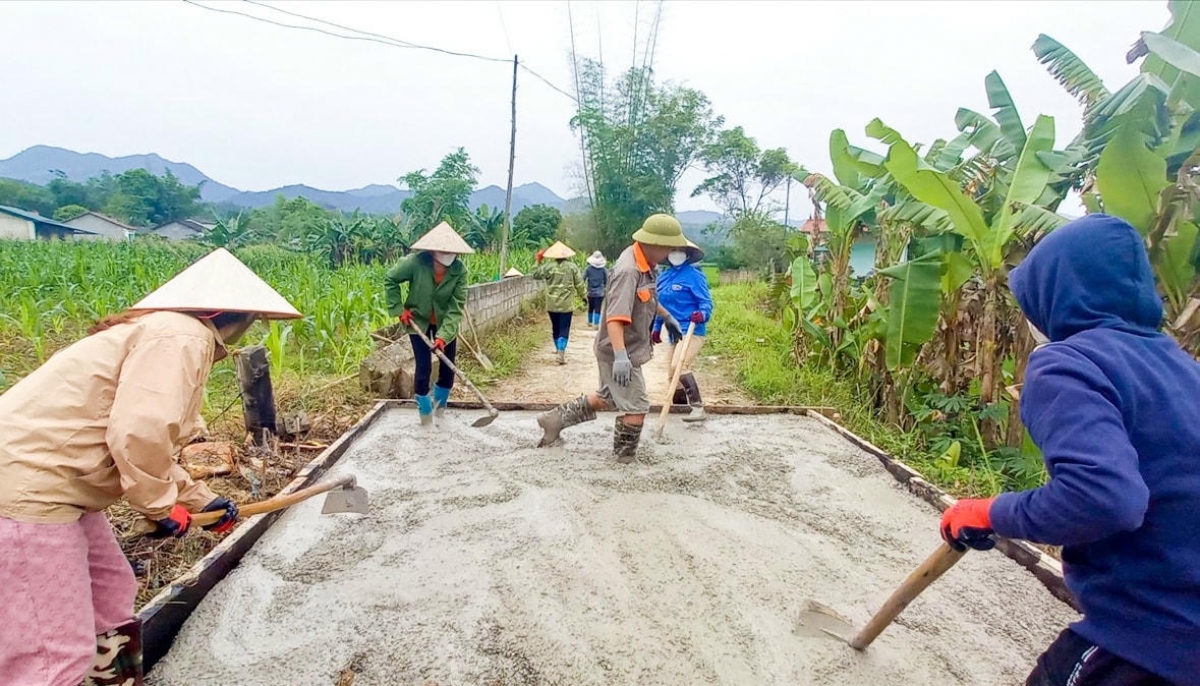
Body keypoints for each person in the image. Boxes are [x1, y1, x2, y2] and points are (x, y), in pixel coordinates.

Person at [0, 248, 302, 686]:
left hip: (62, 485)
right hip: (31, 488)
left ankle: (118, 681)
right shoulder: (181, 336)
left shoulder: (169, 331)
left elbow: (150, 445)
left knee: (111, 589)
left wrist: (203, 500)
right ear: (233, 315)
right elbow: (137, 435)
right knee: (54, 654)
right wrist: (161, 508)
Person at [939, 215, 1200, 686]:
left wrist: (991, 511)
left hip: (1153, 639)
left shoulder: (1070, 362)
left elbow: (1104, 497)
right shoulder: (1180, 366)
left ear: (1053, 292)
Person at [535, 214, 686, 463]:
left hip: (623, 348)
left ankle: (553, 420)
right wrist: (620, 357)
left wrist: (667, 317)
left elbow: (646, 298)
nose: (670, 252)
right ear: (656, 244)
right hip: (619, 350)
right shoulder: (629, 271)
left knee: (607, 397)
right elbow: (615, 318)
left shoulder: (645, 264)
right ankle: (623, 463)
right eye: (669, 247)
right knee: (636, 407)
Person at [385, 221, 473, 426]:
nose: (443, 266)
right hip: (418, 320)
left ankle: (440, 412)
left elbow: (455, 307)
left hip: (445, 322)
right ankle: (425, 417)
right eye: (440, 262)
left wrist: (443, 336)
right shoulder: (415, 263)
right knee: (423, 368)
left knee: (447, 368)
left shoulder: (459, 272)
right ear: (432, 253)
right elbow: (390, 279)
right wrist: (399, 309)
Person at [652, 239, 713, 423]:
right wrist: (656, 328)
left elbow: (706, 302)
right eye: (673, 250)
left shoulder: (694, 276)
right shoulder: (663, 277)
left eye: (680, 251)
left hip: (692, 330)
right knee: (672, 375)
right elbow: (658, 305)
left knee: (679, 366)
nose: (676, 254)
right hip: (674, 332)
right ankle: (678, 405)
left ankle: (697, 408)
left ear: (687, 255)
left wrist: (702, 314)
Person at [533, 241, 588, 365]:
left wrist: (538, 260)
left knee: (555, 328)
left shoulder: (548, 267)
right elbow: (579, 284)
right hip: (566, 305)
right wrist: (584, 296)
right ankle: (561, 353)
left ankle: (558, 350)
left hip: (552, 304)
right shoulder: (572, 267)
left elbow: (535, 274)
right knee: (564, 328)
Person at [584, 250, 609, 329]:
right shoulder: (604, 270)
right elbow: (607, 280)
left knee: (591, 306)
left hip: (590, 291)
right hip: (600, 292)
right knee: (598, 307)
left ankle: (590, 321)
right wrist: (605, 287)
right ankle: (596, 324)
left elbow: (583, 278)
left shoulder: (588, 269)